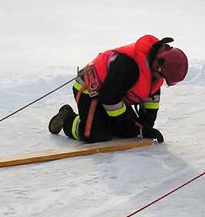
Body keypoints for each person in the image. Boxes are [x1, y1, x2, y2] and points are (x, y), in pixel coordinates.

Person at [48, 34, 188, 143]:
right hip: (90, 90)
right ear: (158, 63)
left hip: (114, 92)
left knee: (129, 131)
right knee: (96, 135)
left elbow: (151, 99)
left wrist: (145, 127)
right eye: (161, 76)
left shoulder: (155, 70)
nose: (160, 80)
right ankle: (68, 118)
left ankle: (104, 120)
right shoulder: (128, 66)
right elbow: (109, 99)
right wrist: (134, 128)